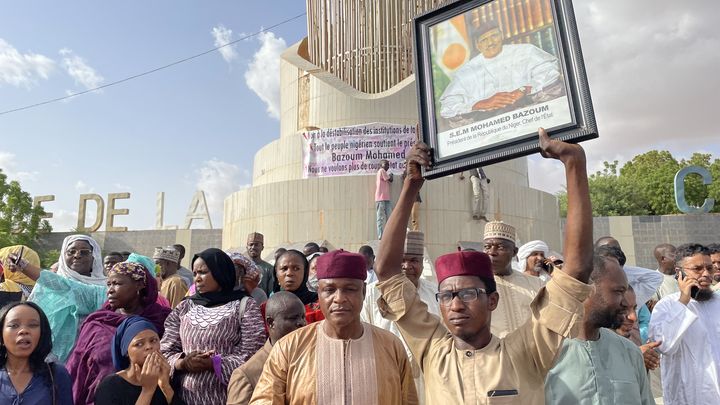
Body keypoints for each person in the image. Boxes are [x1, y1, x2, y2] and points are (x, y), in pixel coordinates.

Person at [374, 128, 595, 404]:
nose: (455, 306)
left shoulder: (525, 353)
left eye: (468, 294)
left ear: (492, 300)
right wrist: (410, 187)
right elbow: (387, 273)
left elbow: (575, 274)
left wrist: (574, 164)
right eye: (446, 296)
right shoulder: (432, 350)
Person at [251, 249, 418, 404]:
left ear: (364, 292)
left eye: (350, 289)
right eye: (330, 290)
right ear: (318, 294)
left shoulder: (391, 347)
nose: (339, 298)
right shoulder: (288, 348)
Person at [160, 248, 266, 405]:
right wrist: (183, 362)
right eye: (195, 273)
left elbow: (253, 356)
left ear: (220, 272)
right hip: (184, 399)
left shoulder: (244, 305)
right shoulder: (185, 306)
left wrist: (214, 363)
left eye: (203, 272)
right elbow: (165, 350)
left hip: (229, 397)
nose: (197, 278)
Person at [544, 255, 654, 404]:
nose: (624, 302)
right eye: (618, 291)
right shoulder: (543, 353)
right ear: (588, 289)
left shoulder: (630, 353)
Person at [67, 259, 172, 405]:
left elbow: (171, 357)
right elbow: (78, 368)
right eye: (109, 284)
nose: (110, 290)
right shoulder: (97, 322)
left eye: (117, 284)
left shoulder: (163, 320)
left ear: (139, 285)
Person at [362, 231, 439, 404]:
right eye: (401, 260)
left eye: (413, 260)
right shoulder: (372, 293)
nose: (407, 266)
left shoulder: (435, 293)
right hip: (387, 376)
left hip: (429, 378)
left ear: (421, 262)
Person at [11, 234, 108, 361]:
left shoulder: (105, 288)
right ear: (63, 256)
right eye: (71, 251)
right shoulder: (45, 288)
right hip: (48, 357)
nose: (77, 255)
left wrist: (25, 266)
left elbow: (67, 287)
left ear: (94, 257)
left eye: (84, 252)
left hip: (89, 358)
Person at [439, 20, 561, 120]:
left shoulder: (525, 51)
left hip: (529, 114)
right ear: (478, 45)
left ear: (501, 35)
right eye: (484, 40)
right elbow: (448, 106)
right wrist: (479, 104)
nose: (490, 42)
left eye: (494, 36)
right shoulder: (466, 72)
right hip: (489, 125)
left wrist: (524, 89)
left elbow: (550, 72)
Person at [649, 243, 720, 404]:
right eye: (697, 269)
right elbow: (664, 346)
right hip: (688, 397)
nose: (706, 274)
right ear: (679, 272)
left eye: (709, 268)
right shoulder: (667, 305)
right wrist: (683, 301)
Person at [226, 292, 307, 405]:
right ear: (270, 322)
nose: (302, 323)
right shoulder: (246, 375)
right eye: (293, 318)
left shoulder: (309, 359)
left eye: (303, 317)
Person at [95, 316, 182, 405]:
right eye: (139, 344)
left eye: (153, 340)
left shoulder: (165, 379)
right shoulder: (110, 386)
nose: (149, 347)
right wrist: (147, 391)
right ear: (126, 352)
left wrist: (165, 386)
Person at [0, 301, 73, 405]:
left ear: (42, 333)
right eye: (14, 325)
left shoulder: (56, 375)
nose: (24, 330)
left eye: (33, 325)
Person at [483, 220, 545, 337]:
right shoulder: (477, 286)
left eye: (500, 247)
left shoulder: (536, 285)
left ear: (514, 252)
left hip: (531, 352)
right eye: (487, 247)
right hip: (495, 353)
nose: (492, 252)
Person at [272, 249, 324, 323]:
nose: (289, 273)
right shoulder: (267, 307)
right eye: (284, 269)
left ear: (305, 273)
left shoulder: (320, 305)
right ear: (276, 274)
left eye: (296, 268)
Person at [375, 159, 394, 239]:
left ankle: (387, 234)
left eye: (388, 165)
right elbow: (390, 179)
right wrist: (391, 175)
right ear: (381, 165)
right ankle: (380, 236)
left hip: (386, 198)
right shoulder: (381, 170)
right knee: (380, 218)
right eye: (386, 164)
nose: (387, 166)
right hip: (380, 198)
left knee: (389, 217)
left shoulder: (383, 172)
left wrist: (390, 176)